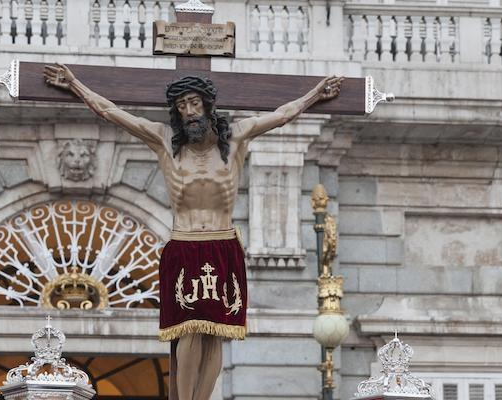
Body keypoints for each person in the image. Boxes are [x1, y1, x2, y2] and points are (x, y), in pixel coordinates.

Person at [44, 63, 343, 400]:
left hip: (222, 243)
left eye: (193, 103)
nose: (188, 112)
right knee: (188, 329)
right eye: (182, 106)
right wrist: (75, 85)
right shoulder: (164, 142)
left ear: (207, 105)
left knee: (215, 331)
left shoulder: (238, 138)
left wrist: (315, 95)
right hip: (184, 244)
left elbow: (282, 114)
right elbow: (111, 112)